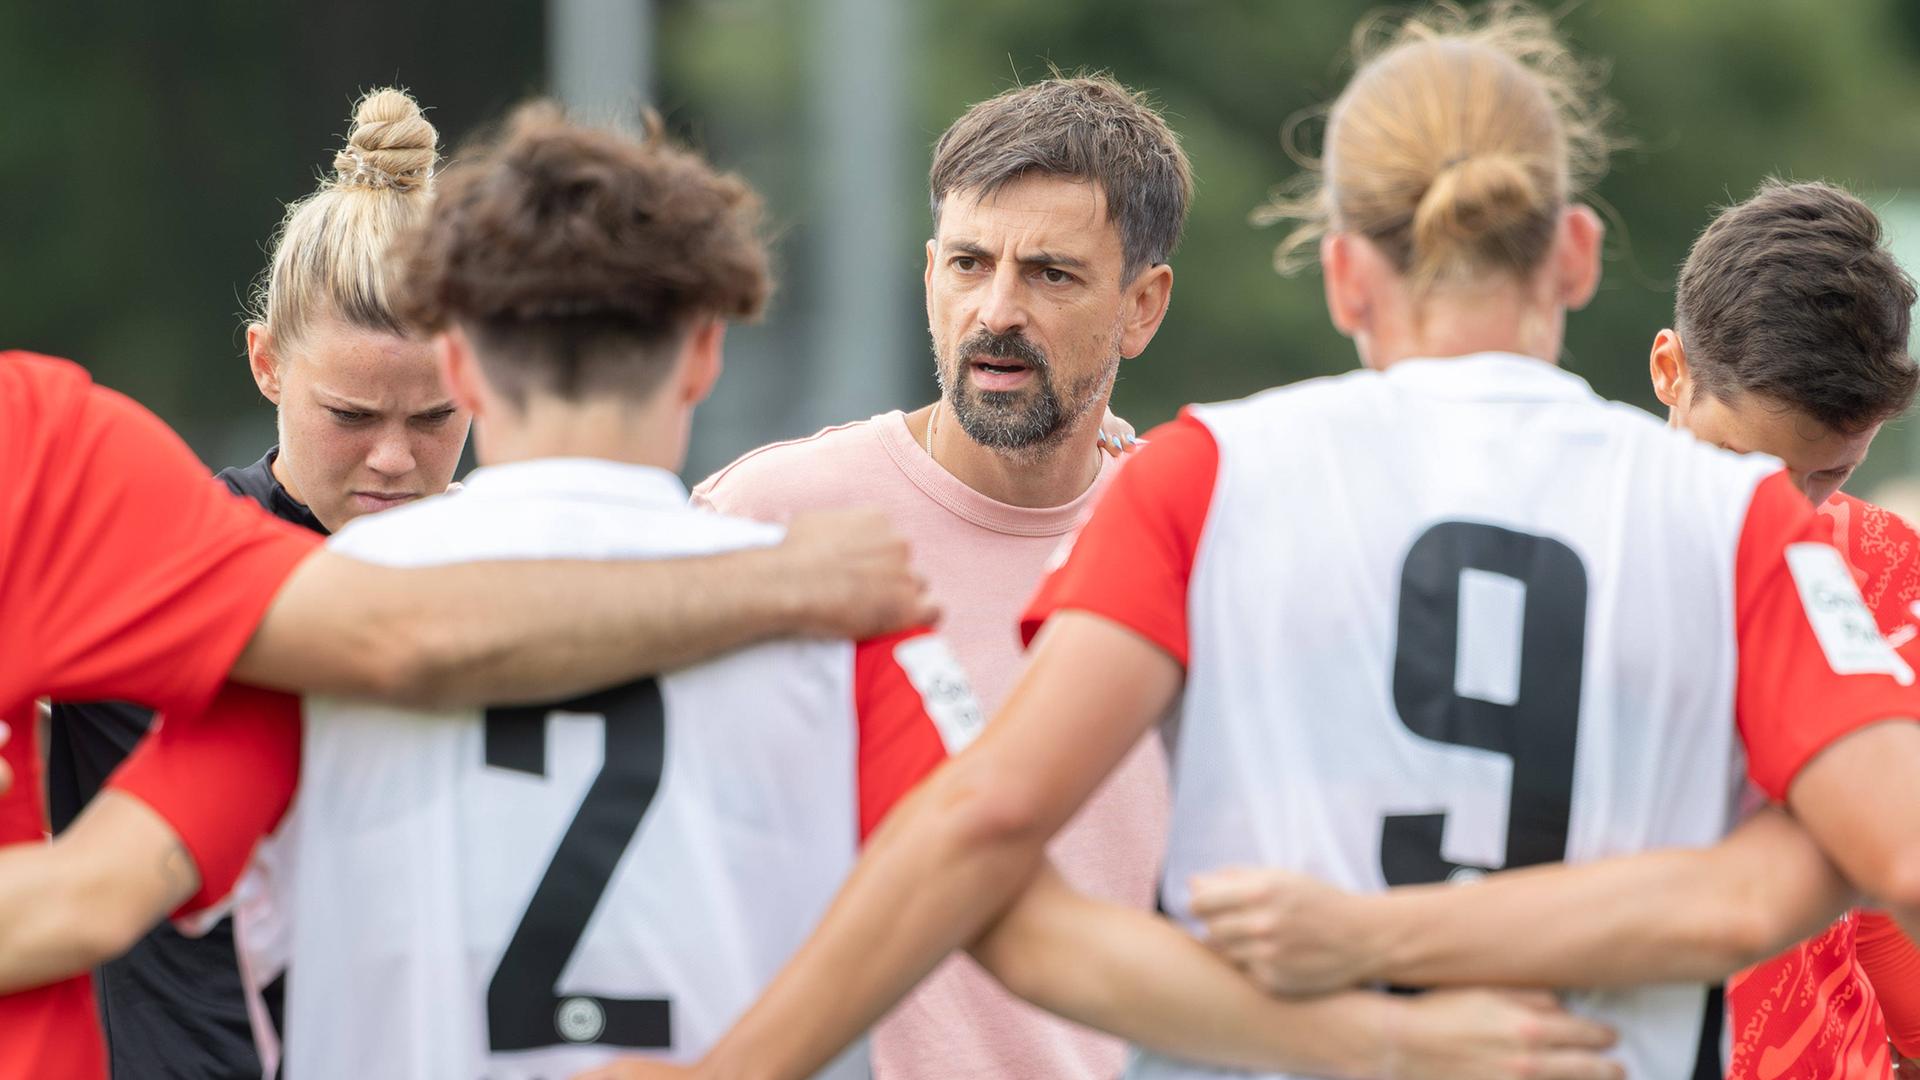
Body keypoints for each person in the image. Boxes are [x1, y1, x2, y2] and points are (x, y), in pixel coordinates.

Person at [0, 105, 1626, 1080]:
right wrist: (1390, 1040)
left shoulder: (315, 632)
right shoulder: (831, 612)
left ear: (471, 357)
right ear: (709, 349)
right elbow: (1039, 933)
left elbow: (84, 904)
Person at [592, 5, 1920, 1078]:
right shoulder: (1745, 512)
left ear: (1344, 272)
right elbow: (1889, 857)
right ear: (1573, 256)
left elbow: (986, 826)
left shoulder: (1203, 476)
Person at [1182, 178, 1920, 1078]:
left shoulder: (1887, 573)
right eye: (1738, 462)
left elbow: (1888, 902)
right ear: (1668, 371)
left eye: (1827, 475)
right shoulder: (1566, 530)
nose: (1776, 512)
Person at [690, 74, 1176, 1080]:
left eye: (1050, 275)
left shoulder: (1190, 545)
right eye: (969, 264)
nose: (996, 310)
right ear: (927, 277)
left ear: (1141, 307)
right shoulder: (771, 516)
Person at [44, 85, 473, 1080]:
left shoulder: (522, 578)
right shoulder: (146, 561)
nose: (396, 460)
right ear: (266, 364)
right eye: (353, 416)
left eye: (435, 418)